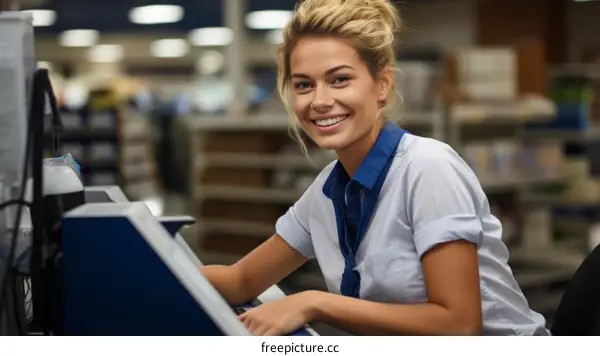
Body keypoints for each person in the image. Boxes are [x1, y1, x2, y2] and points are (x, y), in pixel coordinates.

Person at [200, 0, 550, 336]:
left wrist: (315, 303)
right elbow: (240, 281)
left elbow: (459, 325)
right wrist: (152, 268)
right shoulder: (327, 192)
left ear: (381, 86)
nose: (320, 101)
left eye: (339, 79)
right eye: (304, 84)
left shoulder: (427, 169)